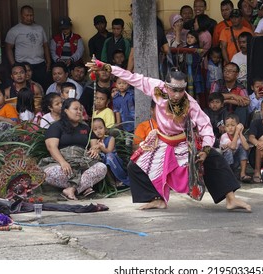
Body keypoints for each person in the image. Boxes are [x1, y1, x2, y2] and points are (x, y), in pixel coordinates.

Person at [86, 60, 251, 212]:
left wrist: (205, 150)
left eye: (181, 90)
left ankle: (231, 198)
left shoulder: (190, 103)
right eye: (174, 90)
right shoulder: (157, 89)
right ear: (167, 85)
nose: (178, 94)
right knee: (134, 166)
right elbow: (132, 77)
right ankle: (156, 199)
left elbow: (206, 126)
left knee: (214, 158)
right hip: (161, 139)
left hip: (182, 142)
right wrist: (106, 67)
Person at [38, 98, 107, 200]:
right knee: (48, 173)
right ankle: (84, 187)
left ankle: (71, 189)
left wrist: (95, 150)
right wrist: (63, 162)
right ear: (66, 111)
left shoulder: (85, 128)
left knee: (101, 168)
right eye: (76, 109)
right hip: (63, 164)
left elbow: (94, 145)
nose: (79, 112)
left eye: (80, 109)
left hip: (83, 163)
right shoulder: (56, 126)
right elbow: (51, 147)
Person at [5, 5, 51, 90]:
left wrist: (48, 61)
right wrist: (14, 65)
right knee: (25, 89)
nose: (29, 18)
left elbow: (45, 46)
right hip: (23, 65)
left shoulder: (39, 28)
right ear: (21, 15)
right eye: (26, 15)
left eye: (31, 15)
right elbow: (8, 49)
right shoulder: (14, 30)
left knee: (41, 88)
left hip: (40, 64)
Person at [91, 118, 130, 186]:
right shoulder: (94, 141)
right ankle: (111, 182)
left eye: (100, 128)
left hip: (114, 161)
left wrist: (101, 147)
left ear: (105, 129)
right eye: (95, 129)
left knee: (109, 157)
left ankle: (119, 179)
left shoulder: (111, 138)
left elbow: (109, 151)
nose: (98, 131)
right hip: (105, 163)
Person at [220, 113, 252, 183]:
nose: (230, 128)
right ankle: (228, 174)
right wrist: (237, 131)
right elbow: (232, 146)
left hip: (235, 162)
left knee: (242, 148)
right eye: (227, 126)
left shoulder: (239, 136)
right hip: (226, 164)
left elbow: (246, 147)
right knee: (229, 150)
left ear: (237, 126)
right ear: (225, 128)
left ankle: (242, 174)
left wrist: (240, 133)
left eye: (233, 125)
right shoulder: (224, 136)